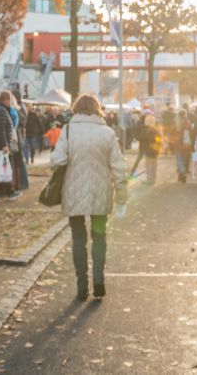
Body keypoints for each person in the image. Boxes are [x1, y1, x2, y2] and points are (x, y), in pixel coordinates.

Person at [50, 94, 127, 301]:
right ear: (97, 109)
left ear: (75, 109)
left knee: (78, 237)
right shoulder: (107, 133)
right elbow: (119, 167)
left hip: (73, 191)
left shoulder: (67, 131)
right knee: (99, 235)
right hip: (100, 191)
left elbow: (57, 160)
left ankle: (81, 285)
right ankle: (99, 278)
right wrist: (121, 196)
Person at [170, 110, 193, 183]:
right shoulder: (188, 122)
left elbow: (171, 133)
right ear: (185, 115)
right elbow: (191, 132)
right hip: (185, 143)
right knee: (183, 159)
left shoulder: (175, 122)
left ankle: (182, 173)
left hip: (177, 143)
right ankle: (181, 175)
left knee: (179, 159)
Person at [136, 115, 160, 185]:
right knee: (154, 165)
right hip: (155, 150)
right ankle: (153, 178)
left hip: (149, 151)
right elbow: (159, 140)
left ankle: (149, 179)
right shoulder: (156, 130)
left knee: (148, 165)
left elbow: (139, 137)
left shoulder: (147, 131)